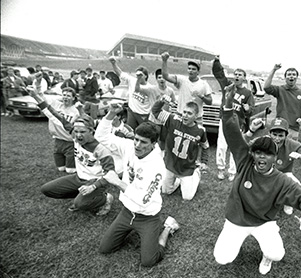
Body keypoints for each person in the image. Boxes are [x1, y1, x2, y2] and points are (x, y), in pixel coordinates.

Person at [213, 83, 301, 275]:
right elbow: (231, 132)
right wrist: (228, 104)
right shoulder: (245, 161)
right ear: (253, 154)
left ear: (274, 157)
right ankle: (230, 236)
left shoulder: (282, 180)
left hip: (263, 222)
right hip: (236, 220)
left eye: (267, 154)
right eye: (258, 153)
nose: (262, 157)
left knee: (277, 254)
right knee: (222, 258)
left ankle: (266, 255)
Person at [95, 104, 180, 267]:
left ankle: (168, 227)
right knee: (105, 248)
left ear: (153, 144)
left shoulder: (157, 166)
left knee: (149, 260)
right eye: (136, 139)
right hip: (127, 212)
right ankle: (130, 230)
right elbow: (101, 137)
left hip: (148, 217)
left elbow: (143, 200)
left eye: (143, 142)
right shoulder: (129, 147)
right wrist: (111, 114)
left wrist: (118, 182)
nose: (137, 145)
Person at [39, 109, 115, 216]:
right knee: (47, 189)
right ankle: (82, 196)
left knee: (80, 204)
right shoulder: (75, 136)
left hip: (94, 182)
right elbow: (58, 117)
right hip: (78, 178)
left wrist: (93, 187)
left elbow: (111, 174)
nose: (78, 135)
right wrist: (37, 97)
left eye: (83, 132)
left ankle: (105, 198)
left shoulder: (101, 149)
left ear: (91, 131)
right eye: (76, 131)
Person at [247, 117, 301, 215]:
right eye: (274, 134)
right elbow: (245, 145)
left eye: (280, 135)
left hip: (283, 174)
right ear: (269, 133)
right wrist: (250, 132)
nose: (277, 139)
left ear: (286, 135)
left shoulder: (291, 144)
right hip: (263, 173)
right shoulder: (263, 141)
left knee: (295, 184)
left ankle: (288, 203)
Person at [151, 96, 209, 200]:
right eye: (184, 112)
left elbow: (205, 146)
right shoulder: (173, 120)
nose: (185, 116)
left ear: (196, 116)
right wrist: (161, 102)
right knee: (165, 191)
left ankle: (196, 174)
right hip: (171, 164)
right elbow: (155, 111)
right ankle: (177, 181)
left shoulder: (200, 130)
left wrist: (204, 162)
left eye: (189, 113)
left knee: (187, 197)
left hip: (186, 168)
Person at [212, 55, 254, 181]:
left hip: (237, 122)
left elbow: (251, 110)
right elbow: (218, 74)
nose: (237, 76)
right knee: (221, 145)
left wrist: (248, 109)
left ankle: (232, 171)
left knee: (235, 147)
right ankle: (220, 169)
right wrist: (217, 62)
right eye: (236, 74)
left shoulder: (247, 93)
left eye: (240, 74)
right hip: (225, 120)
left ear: (244, 78)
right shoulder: (228, 85)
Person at [30, 87, 80, 173]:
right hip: (58, 140)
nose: (65, 97)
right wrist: (38, 84)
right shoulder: (56, 104)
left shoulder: (76, 111)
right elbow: (42, 99)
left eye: (68, 96)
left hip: (70, 141)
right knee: (61, 168)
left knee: (70, 170)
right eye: (64, 95)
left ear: (73, 98)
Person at [264, 64, 301, 140]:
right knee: (276, 148)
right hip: (279, 126)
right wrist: (274, 70)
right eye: (289, 74)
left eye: (294, 74)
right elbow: (266, 87)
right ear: (285, 77)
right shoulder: (280, 89)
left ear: (297, 77)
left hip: (294, 128)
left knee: (291, 150)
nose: (291, 76)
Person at [160, 52, 212, 123]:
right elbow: (166, 76)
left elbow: (210, 101)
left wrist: (202, 97)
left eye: (193, 69)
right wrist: (164, 61)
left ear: (198, 72)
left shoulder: (204, 84)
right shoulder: (181, 80)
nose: (190, 71)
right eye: (189, 68)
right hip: (181, 115)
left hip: (196, 118)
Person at [134, 68, 175, 151]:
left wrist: (170, 104)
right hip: (153, 120)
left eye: (163, 77)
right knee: (152, 140)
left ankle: (161, 156)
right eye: (159, 77)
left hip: (165, 121)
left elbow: (174, 103)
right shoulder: (151, 89)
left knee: (163, 142)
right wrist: (138, 79)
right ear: (156, 79)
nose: (161, 79)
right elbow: (137, 89)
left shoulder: (170, 91)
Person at [108, 56, 154, 130]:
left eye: (141, 75)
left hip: (143, 114)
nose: (138, 77)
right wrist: (113, 63)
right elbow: (120, 73)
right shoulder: (132, 81)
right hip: (132, 112)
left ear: (146, 76)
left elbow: (153, 103)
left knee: (143, 133)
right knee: (130, 131)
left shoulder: (150, 88)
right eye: (137, 75)